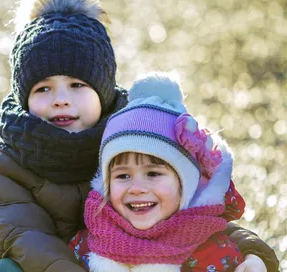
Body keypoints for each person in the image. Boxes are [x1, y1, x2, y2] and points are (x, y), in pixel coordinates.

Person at [0, 0, 279, 271]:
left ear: (103, 92)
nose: (60, 99)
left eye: (77, 85)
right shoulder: (1, 169)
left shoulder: (137, 142)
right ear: (23, 97)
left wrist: (251, 254)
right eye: (42, 88)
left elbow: (193, 217)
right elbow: (22, 240)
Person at [69, 72, 274, 271]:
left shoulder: (215, 255)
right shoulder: (88, 244)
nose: (137, 188)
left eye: (153, 174)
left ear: (185, 185)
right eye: (123, 176)